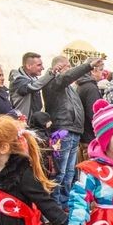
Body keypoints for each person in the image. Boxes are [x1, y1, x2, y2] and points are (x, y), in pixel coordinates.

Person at [41, 54, 96, 205]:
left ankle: (65, 202)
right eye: (67, 67)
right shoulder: (53, 81)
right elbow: (66, 77)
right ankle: (55, 204)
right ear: (58, 67)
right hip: (62, 129)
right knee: (60, 171)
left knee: (70, 171)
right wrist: (87, 65)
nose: (70, 70)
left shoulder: (69, 88)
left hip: (73, 130)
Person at [9, 52, 53, 118]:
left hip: (32, 123)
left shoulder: (34, 79)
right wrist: (51, 74)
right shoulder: (18, 81)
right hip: (21, 123)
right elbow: (32, 87)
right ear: (28, 66)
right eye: (39, 65)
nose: (42, 68)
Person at [76, 58, 106, 146]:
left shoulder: (83, 85)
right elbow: (93, 114)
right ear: (93, 71)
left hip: (85, 135)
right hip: (90, 138)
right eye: (101, 70)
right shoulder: (91, 88)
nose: (103, 72)